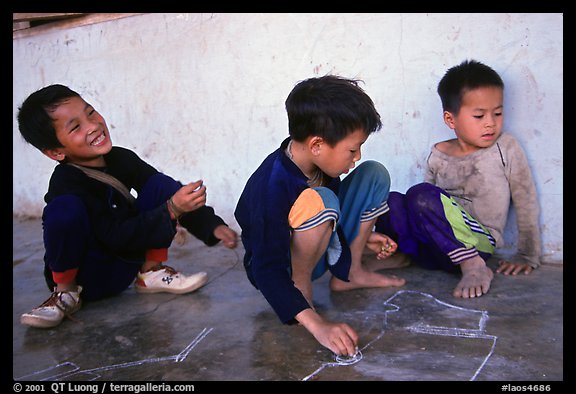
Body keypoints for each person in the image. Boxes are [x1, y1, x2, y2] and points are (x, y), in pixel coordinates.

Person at [17, 84, 238, 328]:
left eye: (90, 112)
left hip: (125, 267)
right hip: (88, 276)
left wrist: (212, 225)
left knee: (158, 184)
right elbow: (114, 235)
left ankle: (150, 272)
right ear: (56, 152)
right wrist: (172, 209)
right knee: (62, 210)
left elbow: (165, 192)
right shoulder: (66, 182)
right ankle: (64, 292)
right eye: (76, 127)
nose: (92, 126)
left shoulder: (121, 158)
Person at [234, 75, 406, 357]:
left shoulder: (320, 163)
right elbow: (266, 268)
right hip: (282, 270)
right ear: (316, 145)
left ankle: (350, 273)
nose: (357, 155)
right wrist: (319, 326)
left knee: (374, 174)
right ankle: (303, 297)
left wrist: (363, 236)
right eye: (352, 149)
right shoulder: (270, 185)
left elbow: (333, 216)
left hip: (320, 244)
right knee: (321, 200)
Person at [375, 59, 541, 299]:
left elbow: (525, 198)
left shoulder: (505, 147)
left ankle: (472, 266)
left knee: (420, 195)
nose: (490, 123)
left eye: (497, 113)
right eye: (479, 115)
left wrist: (527, 254)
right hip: (434, 251)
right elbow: (421, 211)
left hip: (478, 245)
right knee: (394, 200)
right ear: (450, 120)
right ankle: (401, 256)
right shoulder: (438, 154)